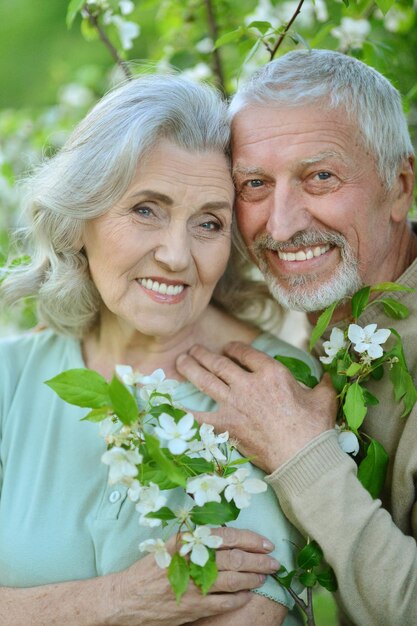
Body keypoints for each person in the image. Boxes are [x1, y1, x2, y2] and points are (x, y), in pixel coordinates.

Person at [0, 73, 320, 625]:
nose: (176, 255)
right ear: (81, 219)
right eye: (147, 209)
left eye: (209, 223)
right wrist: (116, 601)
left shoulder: (270, 386)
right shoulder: (12, 378)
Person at [176, 49, 417, 626]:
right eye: (254, 184)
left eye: (321, 177)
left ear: (400, 187)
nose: (279, 225)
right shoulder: (245, 303)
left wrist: (298, 454)